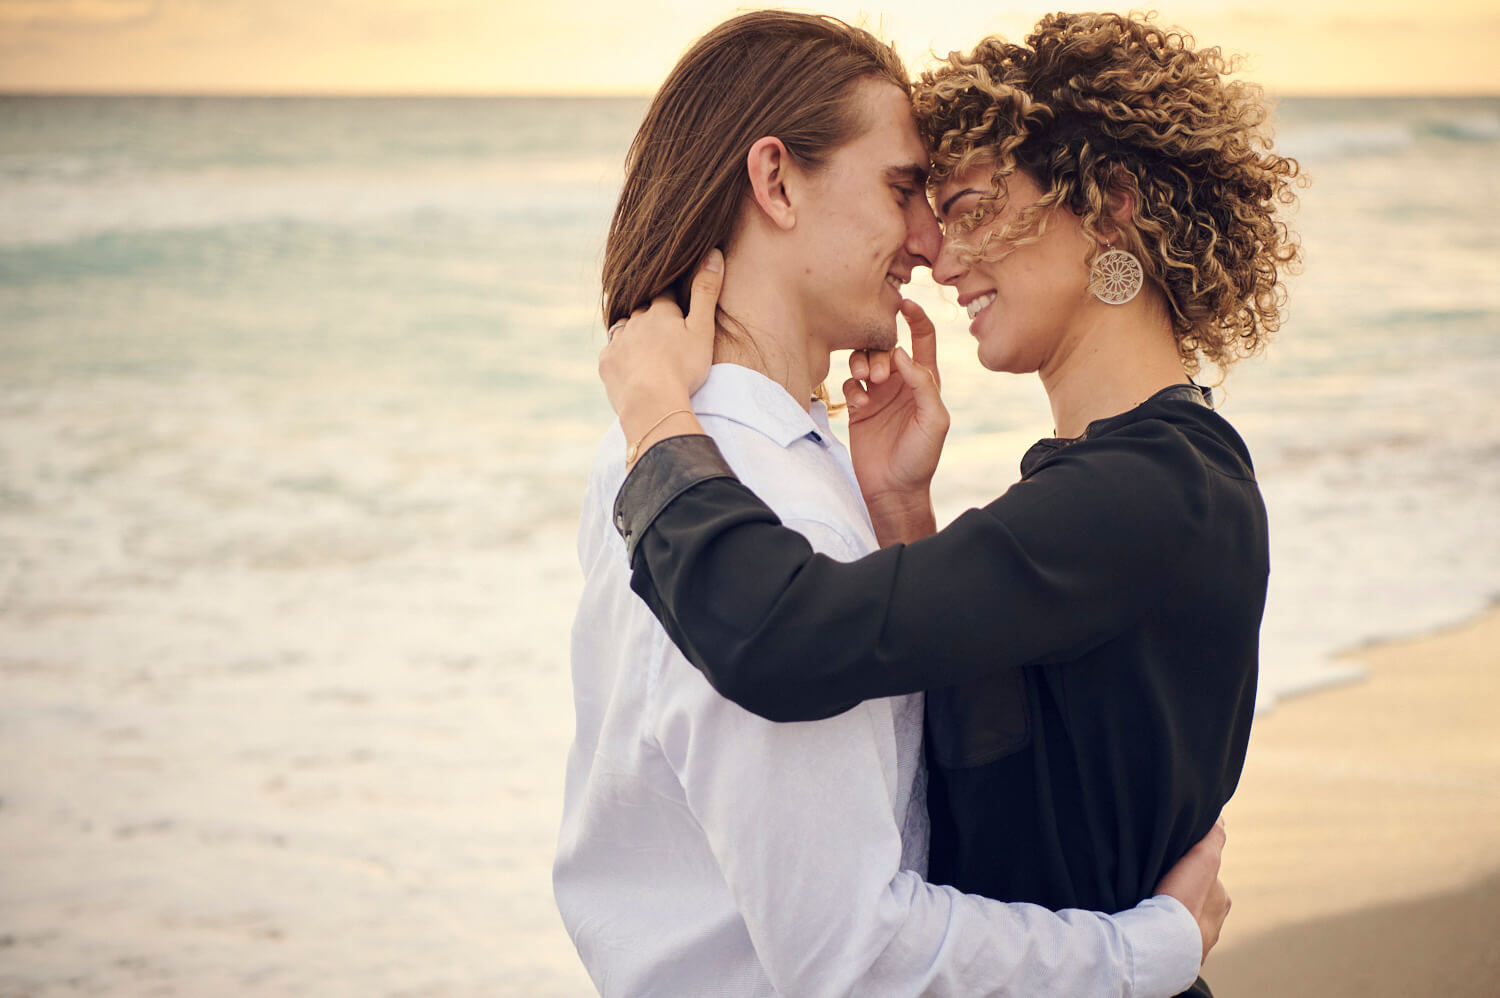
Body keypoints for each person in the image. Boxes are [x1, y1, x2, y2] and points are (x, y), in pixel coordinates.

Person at [598, 12, 1301, 998]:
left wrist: (660, 429)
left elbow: (784, 636)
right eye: (920, 199)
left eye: (971, 206)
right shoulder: (1124, 481)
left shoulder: (1148, 494)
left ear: (1110, 210)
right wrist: (898, 511)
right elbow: (996, 798)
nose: (940, 253)